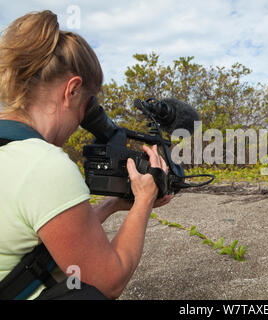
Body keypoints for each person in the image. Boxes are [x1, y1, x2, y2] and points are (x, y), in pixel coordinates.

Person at [0, 10, 172, 299]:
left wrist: (111, 206)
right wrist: (144, 199)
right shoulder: (44, 164)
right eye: (87, 106)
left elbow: (51, 232)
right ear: (73, 89)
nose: (83, 117)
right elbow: (108, 282)